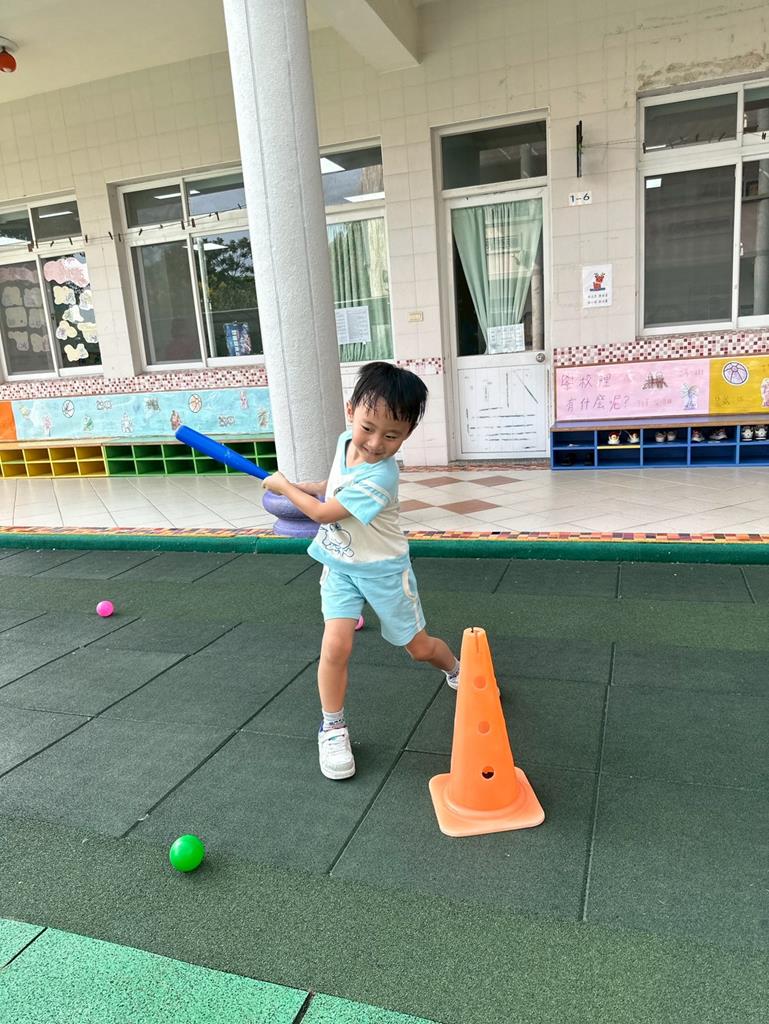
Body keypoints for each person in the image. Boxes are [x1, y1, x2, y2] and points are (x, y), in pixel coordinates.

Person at [263, 361, 460, 780]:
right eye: (368, 428)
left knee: (419, 648)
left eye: (392, 436)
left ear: (407, 434)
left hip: (384, 572)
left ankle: (457, 670)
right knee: (335, 647)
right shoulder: (344, 442)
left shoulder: (382, 476)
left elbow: (322, 513)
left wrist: (285, 489)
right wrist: (307, 486)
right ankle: (332, 726)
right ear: (351, 411)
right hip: (340, 565)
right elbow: (332, 488)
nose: (374, 443)